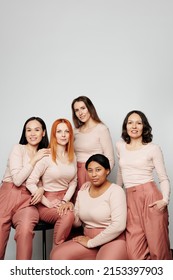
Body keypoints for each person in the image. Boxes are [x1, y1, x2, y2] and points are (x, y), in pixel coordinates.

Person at [115, 110, 172, 260]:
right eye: (130, 122)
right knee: (134, 254)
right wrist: (115, 194)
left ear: (144, 127)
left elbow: (163, 178)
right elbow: (121, 173)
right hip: (130, 200)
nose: (134, 126)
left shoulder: (153, 148)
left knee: (158, 250)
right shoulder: (120, 146)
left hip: (150, 197)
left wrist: (165, 200)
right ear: (125, 126)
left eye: (138, 123)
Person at [50, 154, 127, 260]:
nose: (94, 174)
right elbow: (78, 223)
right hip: (88, 238)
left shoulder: (116, 191)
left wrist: (91, 243)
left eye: (98, 170)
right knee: (58, 255)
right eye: (90, 170)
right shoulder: (83, 192)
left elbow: (119, 225)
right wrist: (70, 208)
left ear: (107, 170)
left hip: (113, 240)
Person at [0, 116, 50, 260]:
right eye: (28, 130)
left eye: (37, 129)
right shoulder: (18, 149)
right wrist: (35, 159)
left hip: (29, 199)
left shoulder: (46, 153)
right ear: (24, 132)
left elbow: (47, 177)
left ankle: (22, 272)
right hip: (8, 193)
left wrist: (41, 188)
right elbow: (17, 180)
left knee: (25, 230)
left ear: (43, 133)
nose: (32, 133)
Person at [26, 118, 77, 257]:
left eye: (67, 131)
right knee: (68, 216)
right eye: (59, 131)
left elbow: (73, 182)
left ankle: (62, 257)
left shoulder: (72, 156)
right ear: (54, 134)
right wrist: (47, 203)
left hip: (64, 200)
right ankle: (56, 256)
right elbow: (30, 182)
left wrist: (65, 201)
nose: (63, 135)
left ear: (70, 135)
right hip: (46, 202)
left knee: (81, 218)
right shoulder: (46, 156)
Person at [71, 96, 115, 201]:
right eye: (76, 110)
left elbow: (110, 159)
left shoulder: (101, 129)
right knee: (76, 206)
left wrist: (97, 177)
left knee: (91, 205)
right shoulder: (75, 131)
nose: (80, 113)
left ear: (90, 108)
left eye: (83, 108)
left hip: (92, 172)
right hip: (75, 173)